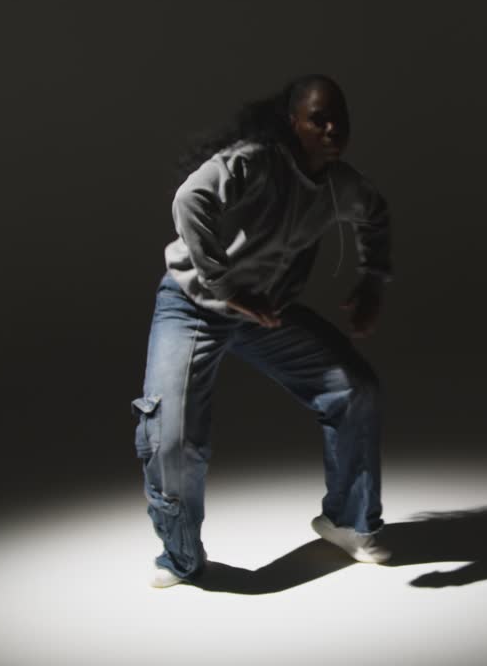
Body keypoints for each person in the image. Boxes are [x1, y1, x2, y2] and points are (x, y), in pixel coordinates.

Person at [132, 74, 394, 588]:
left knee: (354, 389)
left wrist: (372, 284)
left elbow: (376, 215)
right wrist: (227, 285)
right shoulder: (254, 160)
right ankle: (181, 557)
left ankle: (346, 520)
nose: (332, 128)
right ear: (293, 123)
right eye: (318, 119)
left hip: (262, 316)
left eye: (340, 118)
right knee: (173, 436)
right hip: (192, 307)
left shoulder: (340, 184)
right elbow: (191, 200)